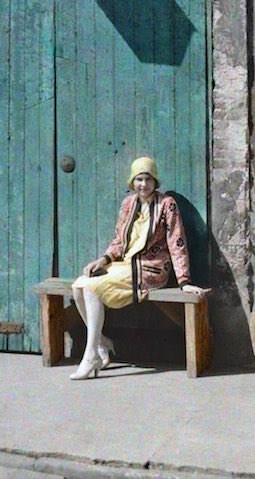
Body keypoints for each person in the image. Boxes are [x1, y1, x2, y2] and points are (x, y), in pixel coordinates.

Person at [69, 156, 202, 380]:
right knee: (78, 285)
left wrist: (185, 282)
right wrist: (103, 259)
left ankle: (90, 355)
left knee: (92, 288)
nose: (143, 184)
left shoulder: (166, 204)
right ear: (132, 182)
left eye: (148, 179)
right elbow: (119, 241)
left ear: (155, 181)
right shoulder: (128, 204)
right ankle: (102, 343)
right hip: (125, 264)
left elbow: (176, 242)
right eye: (139, 179)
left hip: (151, 269)